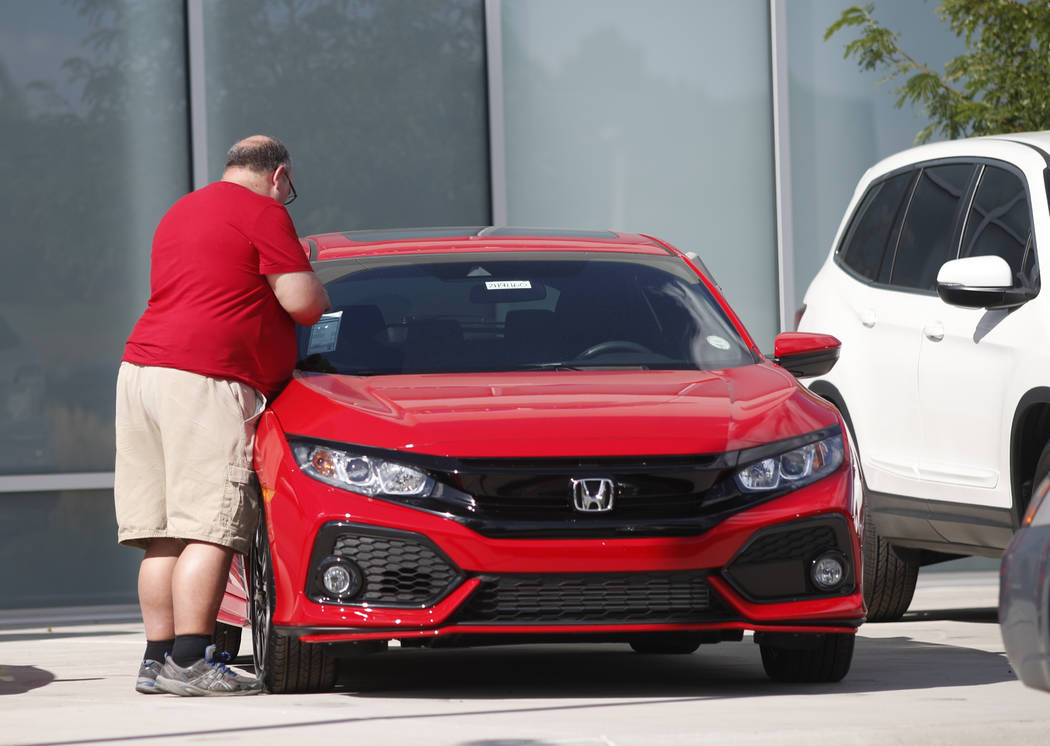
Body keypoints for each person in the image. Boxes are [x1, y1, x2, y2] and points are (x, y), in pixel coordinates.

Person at [114, 135, 330, 696]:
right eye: (290, 189)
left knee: (161, 533)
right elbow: (303, 302)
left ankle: (156, 661)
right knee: (211, 526)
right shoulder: (263, 210)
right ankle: (192, 660)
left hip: (142, 372)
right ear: (279, 176)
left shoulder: (181, 210)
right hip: (205, 379)